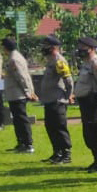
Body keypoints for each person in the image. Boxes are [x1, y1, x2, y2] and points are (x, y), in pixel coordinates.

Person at [74, 37, 97, 173]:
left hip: (95, 102)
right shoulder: (86, 63)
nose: (80, 50)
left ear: (91, 49)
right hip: (86, 103)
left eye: (83, 48)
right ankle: (96, 160)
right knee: (89, 134)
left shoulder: (96, 64)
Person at [39, 35, 74, 164]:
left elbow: (68, 80)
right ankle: (57, 152)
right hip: (49, 100)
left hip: (57, 100)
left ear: (53, 47)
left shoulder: (59, 61)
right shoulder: (51, 60)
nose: (43, 48)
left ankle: (66, 154)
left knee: (59, 127)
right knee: (51, 127)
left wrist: (68, 95)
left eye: (46, 46)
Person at [1, 37, 37, 153]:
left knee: (21, 119)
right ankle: (21, 142)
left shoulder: (14, 59)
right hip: (14, 93)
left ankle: (28, 143)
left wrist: (28, 92)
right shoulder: (14, 56)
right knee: (17, 119)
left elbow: (22, 77)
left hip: (18, 94)